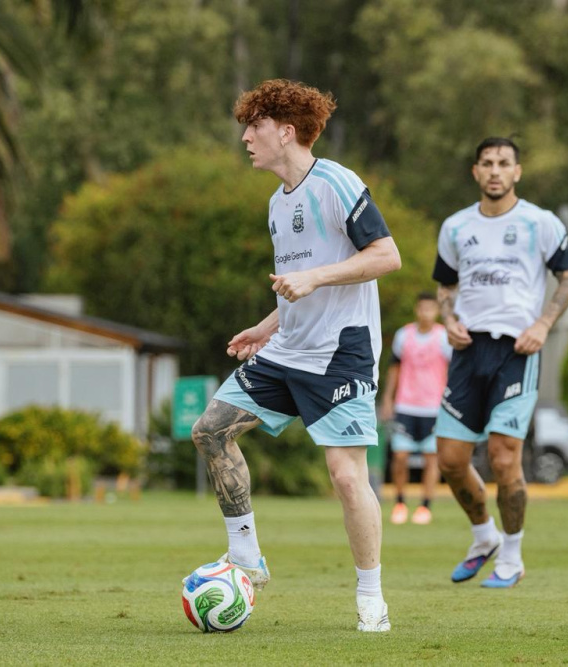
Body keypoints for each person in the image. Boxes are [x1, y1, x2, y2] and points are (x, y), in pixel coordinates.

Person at [190, 79, 401, 632]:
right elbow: (297, 285)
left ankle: (371, 598)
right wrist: (265, 327)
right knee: (210, 431)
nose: (245, 138)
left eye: (254, 126)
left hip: (340, 354)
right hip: (287, 350)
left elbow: (387, 256)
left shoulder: (336, 182)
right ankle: (246, 557)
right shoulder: (276, 203)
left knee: (346, 477)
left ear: (286, 132)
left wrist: (314, 277)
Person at [432, 136, 568, 589]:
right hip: (467, 351)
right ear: (475, 172)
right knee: (450, 459)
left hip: (517, 351)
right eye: (487, 163)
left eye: (503, 163)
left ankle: (512, 558)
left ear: (517, 172)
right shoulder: (456, 226)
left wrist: (544, 324)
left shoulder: (540, 222)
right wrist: (448, 319)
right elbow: (445, 287)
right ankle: (485, 538)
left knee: (502, 455)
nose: (495, 171)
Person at [379, 292, 451, 525]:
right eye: (422, 308)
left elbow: (453, 371)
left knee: (432, 458)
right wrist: (388, 399)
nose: (426, 313)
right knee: (400, 456)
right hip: (406, 405)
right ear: (416, 310)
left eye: (431, 309)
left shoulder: (444, 337)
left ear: (436, 311)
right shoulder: (404, 335)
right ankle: (400, 503)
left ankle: (425, 506)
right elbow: (394, 368)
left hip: (434, 407)